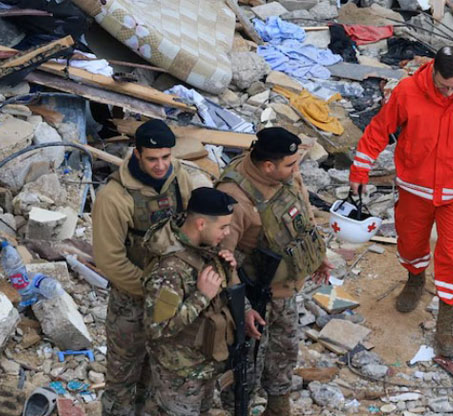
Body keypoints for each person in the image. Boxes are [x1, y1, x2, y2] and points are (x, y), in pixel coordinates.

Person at [348, 46, 453, 358]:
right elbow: (379, 130)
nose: (449, 92)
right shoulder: (408, 92)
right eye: (443, 86)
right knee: (411, 244)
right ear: (433, 72)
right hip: (415, 187)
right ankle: (415, 279)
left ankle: (446, 320)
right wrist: (360, 168)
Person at [216, 127, 333, 415]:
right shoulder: (236, 199)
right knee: (247, 367)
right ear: (268, 166)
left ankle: (278, 406)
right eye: (290, 165)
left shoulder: (286, 175)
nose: (296, 170)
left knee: (284, 349)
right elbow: (220, 262)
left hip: (286, 289)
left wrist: (316, 255)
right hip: (256, 296)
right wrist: (242, 308)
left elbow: (302, 212)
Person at [93, 119, 195, 415]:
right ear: (136, 154)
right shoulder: (114, 197)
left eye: (166, 157)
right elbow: (110, 260)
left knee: (158, 374)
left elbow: (190, 227)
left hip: (171, 299)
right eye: (152, 159)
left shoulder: (179, 179)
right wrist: (152, 290)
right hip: (132, 301)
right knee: (123, 378)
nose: (161, 165)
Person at [141, 187, 239, 415]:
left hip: (204, 363)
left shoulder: (205, 248)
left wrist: (228, 269)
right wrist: (201, 296)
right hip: (179, 373)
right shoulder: (170, 271)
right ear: (201, 224)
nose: (227, 233)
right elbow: (157, 328)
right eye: (223, 227)